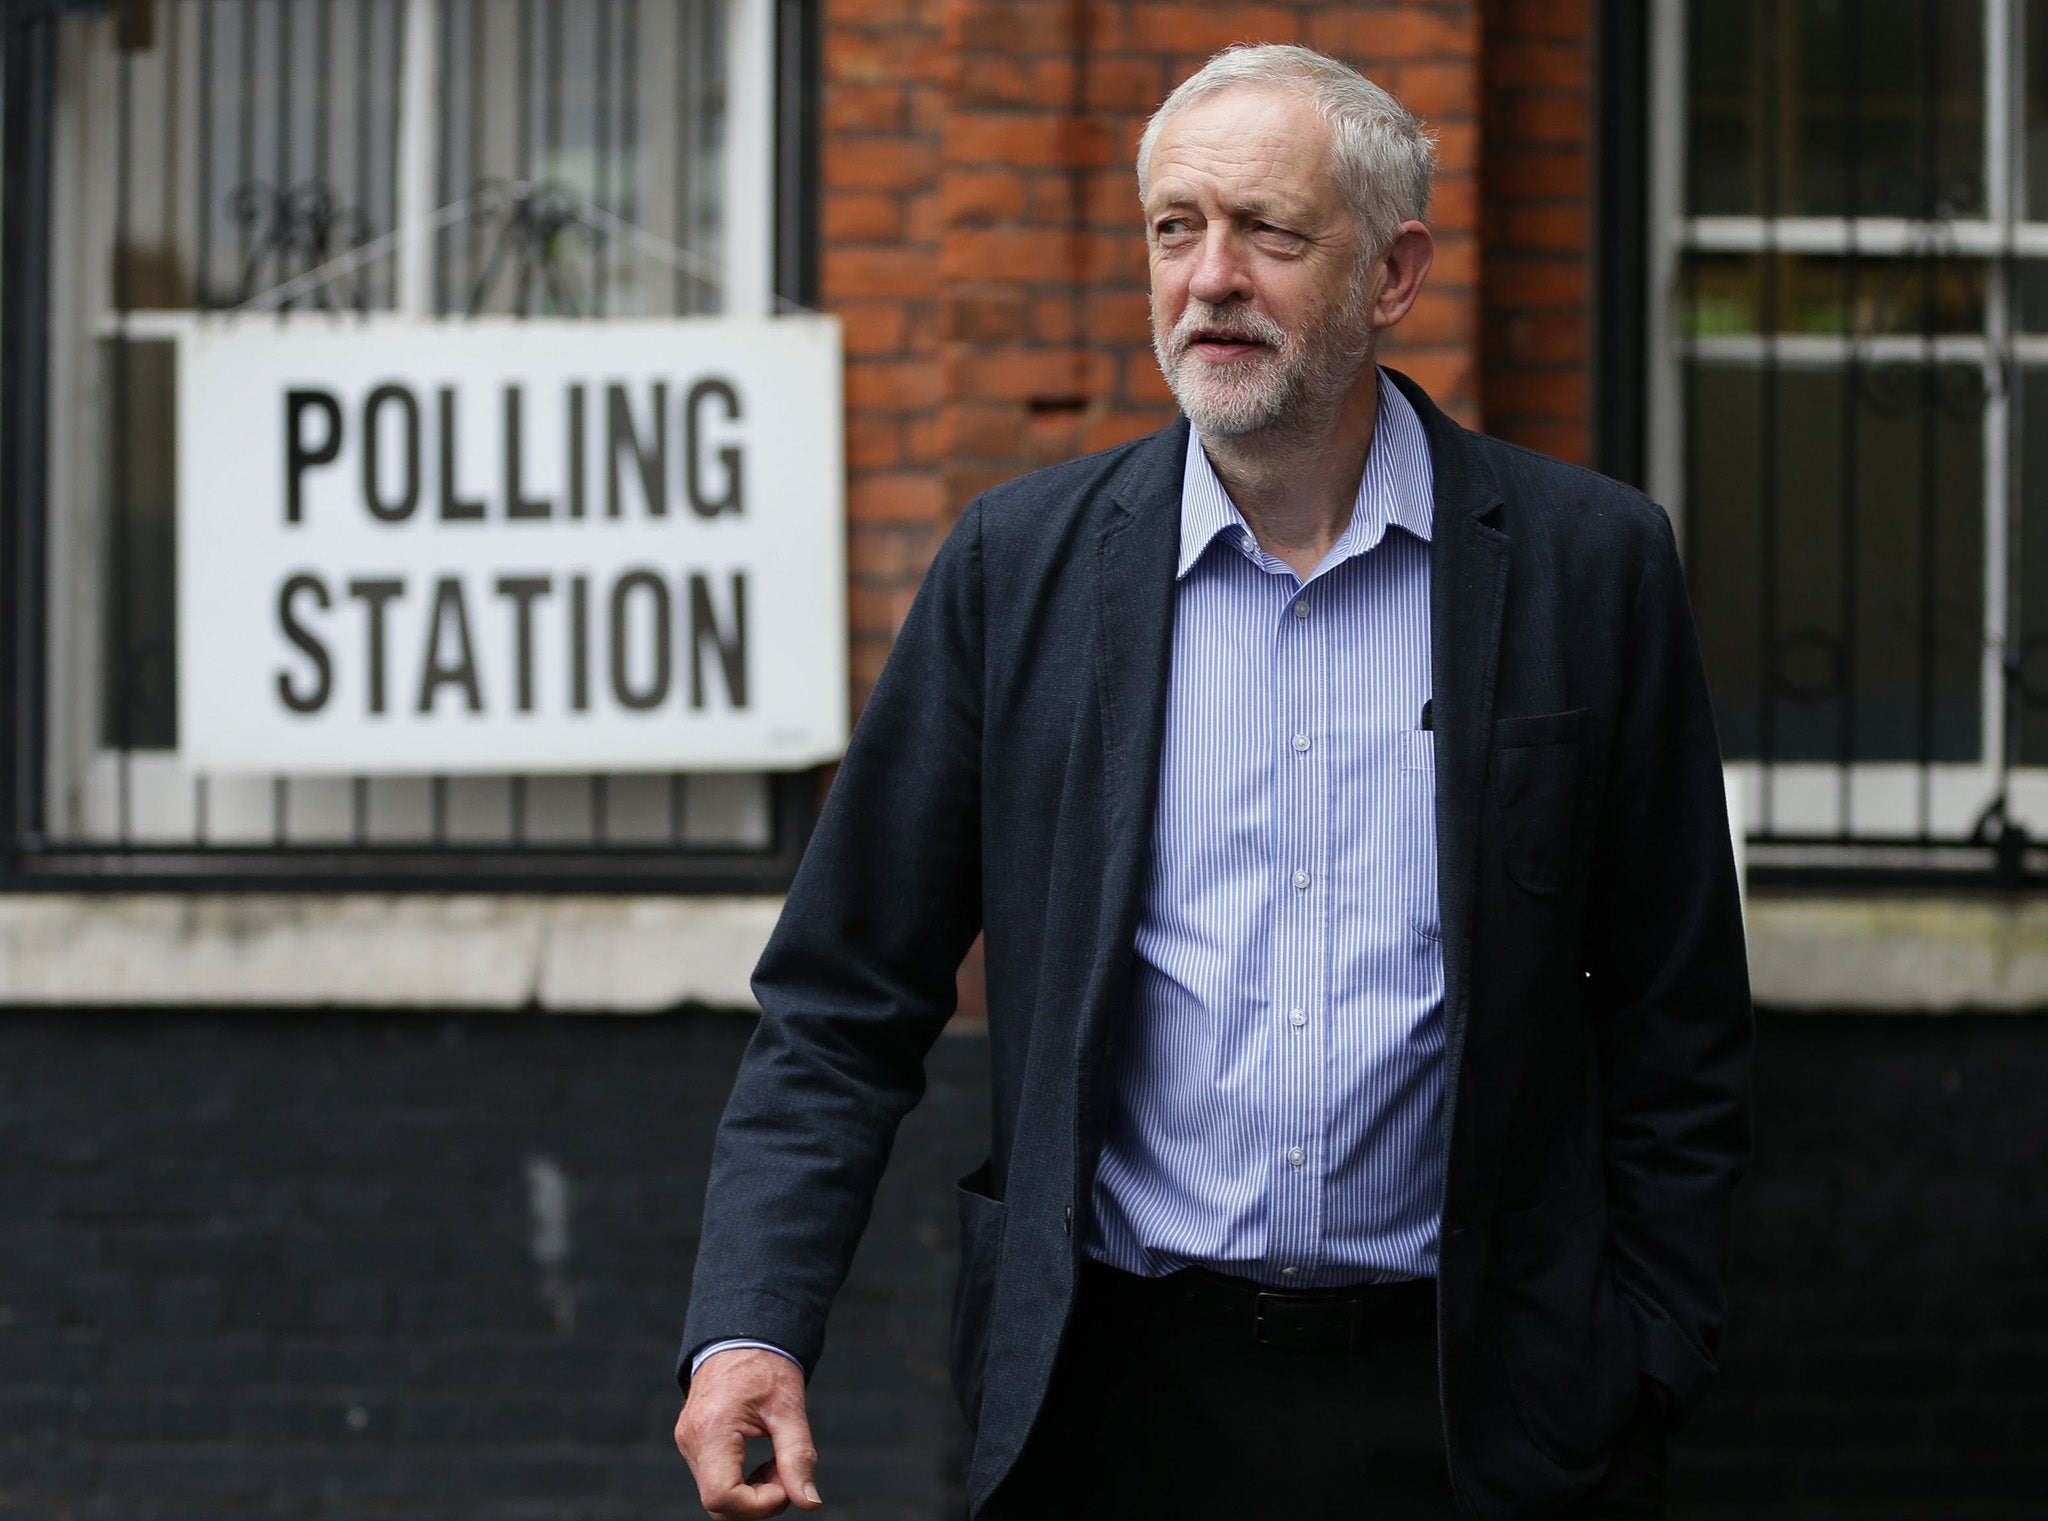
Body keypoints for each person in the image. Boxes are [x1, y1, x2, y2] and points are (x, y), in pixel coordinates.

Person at [673, 43, 1751, 1521]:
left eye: (1270, 232)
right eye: (1176, 228)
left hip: (1482, 1410)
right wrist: (752, 1323)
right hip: (1115, 1404)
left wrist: (1643, 1353)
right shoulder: (1018, 569)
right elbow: (842, 999)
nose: (1212, 276)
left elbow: (1675, 1014)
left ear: (1392, 273)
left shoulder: (1590, 566)